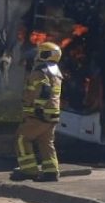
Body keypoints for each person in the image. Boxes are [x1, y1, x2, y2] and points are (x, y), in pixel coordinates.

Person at [10, 41, 64, 182]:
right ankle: (51, 172)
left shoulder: (40, 72)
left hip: (39, 114)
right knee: (46, 142)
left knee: (22, 138)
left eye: (40, 52)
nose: (36, 55)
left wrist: (38, 108)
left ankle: (28, 171)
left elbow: (44, 91)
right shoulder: (56, 72)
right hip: (52, 114)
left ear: (45, 54)